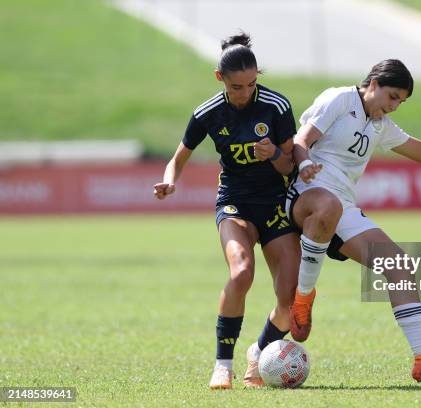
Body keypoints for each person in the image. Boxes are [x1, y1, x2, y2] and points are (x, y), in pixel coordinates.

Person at [286, 59, 421, 382]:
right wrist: (305, 162)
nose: (394, 106)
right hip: (306, 194)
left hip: (341, 207)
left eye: (401, 102)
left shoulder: (380, 125)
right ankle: (304, 296)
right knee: (328, 205)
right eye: (392, 97)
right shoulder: (340, 99)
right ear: (373, 84)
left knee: (400, 265)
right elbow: (300, 140)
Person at [153, 33, 300, 389]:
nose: (246, 92)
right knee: (241, 272)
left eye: (252, 83)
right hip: (233, 202)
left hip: (275, 205)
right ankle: (222, 365)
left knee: (289, 299)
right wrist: (169, 181)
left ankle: (260, 355)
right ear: (220, 78)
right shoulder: (207, 114)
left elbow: (290, 166)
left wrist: (275, 156)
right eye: (237, 86)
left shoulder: (276, 106)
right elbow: (177, 158)